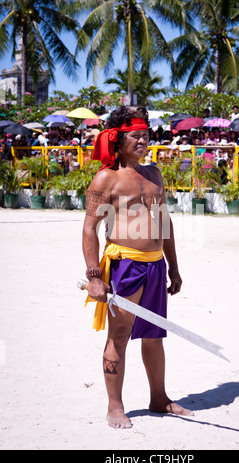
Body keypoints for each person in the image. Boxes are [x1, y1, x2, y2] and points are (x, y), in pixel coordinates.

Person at [82, 105, 193, 429]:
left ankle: (159, 399)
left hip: (156, 266)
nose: (144, 139)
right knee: (119, 336)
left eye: (146, 134)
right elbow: (90, 228)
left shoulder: (154, 174)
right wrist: (94, 277)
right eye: (137, 135)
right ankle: (115, 407)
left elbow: (163, 222)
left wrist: (174, 267)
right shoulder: (106, 178)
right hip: (124, 265)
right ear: (118, 139)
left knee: (154, 336)